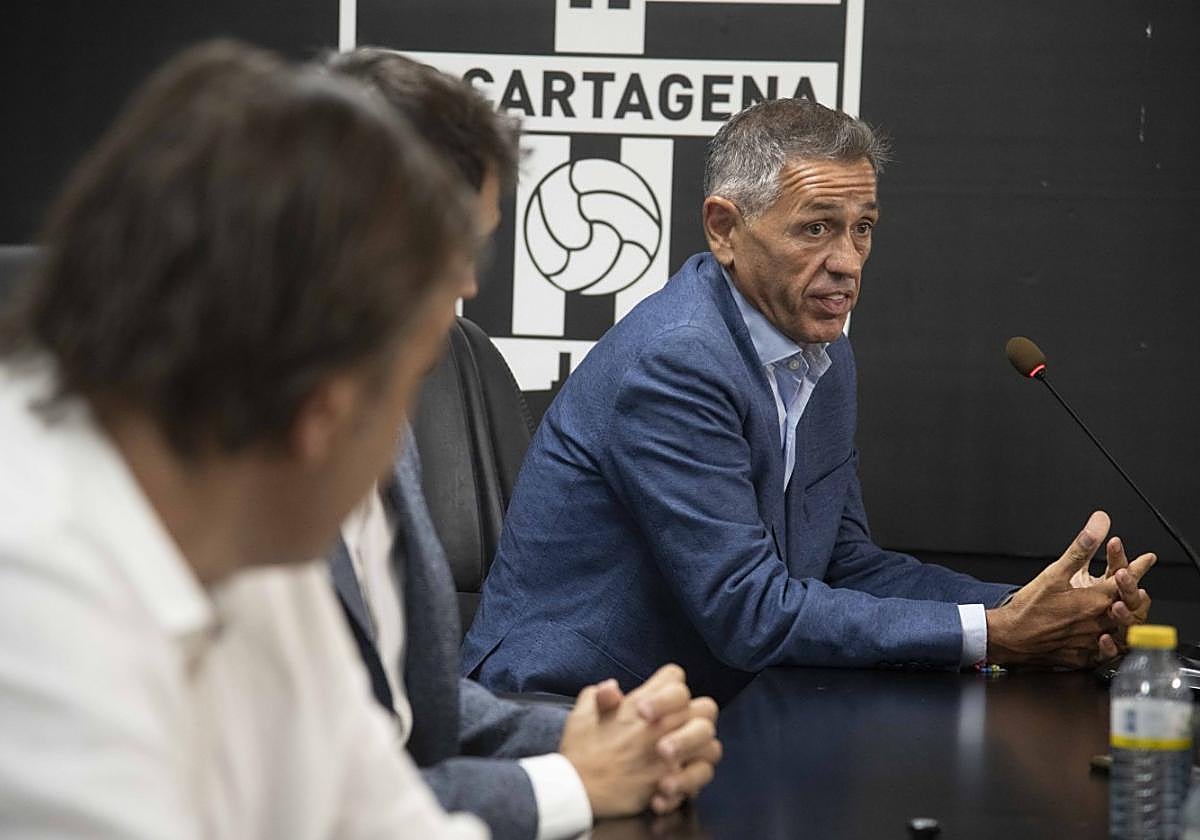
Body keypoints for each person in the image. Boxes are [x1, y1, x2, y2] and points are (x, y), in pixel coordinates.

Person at [461, 98, 1156, 704]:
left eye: (864, 227)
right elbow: (749, 611)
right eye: (817, 228)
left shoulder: (822, 353)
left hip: (711, 698)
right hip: (566, 705)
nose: (849, 262)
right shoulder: (676, 362)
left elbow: (846, 564)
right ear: (724, 229)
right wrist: (998, 633)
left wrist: (1037, 610)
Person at [0, 41, 487, 838]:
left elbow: (384, 818)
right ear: (320, 417)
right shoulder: (30, 592)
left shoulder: (257, 537)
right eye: (410, 385)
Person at [324, 49, 721, 840]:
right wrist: (573, 782)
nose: (470, 286)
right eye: (456, 249)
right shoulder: (227, 466)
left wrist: (592, 738)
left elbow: (409, 705)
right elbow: (317, 795)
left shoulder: (385, 422)